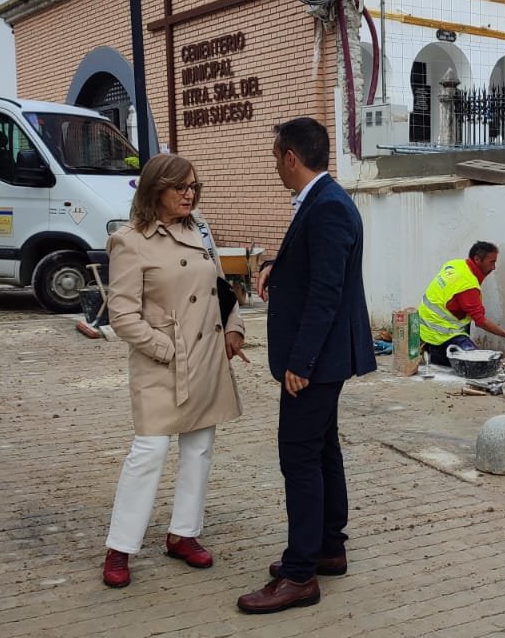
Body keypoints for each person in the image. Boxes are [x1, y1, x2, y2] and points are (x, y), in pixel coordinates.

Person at [238, 117, 375, 614]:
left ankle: (300, 576)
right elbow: (314, 266)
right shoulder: (322, 200)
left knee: (299, 457)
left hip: (316, 360)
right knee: (321, 452)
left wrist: (302, 362)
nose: (275, 164)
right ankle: (328, 548)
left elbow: (326, 292)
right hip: (325, 356)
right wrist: (278, 265)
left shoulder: (328, 208)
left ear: (290, 157)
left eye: (276, 156)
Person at [100, 152, 249, 589]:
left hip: (206, 359)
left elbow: (221, 287)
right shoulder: (131, 240)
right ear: (155, 190)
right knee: (149, 453)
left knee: (200, 449)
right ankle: (120, 547)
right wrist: (167, 349)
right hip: (161, 362)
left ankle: (183, 534)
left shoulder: (198, 229)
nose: (189, 194)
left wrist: (235, 327)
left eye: (194, 187)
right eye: (180, 187)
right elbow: (122, 316)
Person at [416, 241, 505, 366]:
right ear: (477, 259)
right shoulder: (467, 286)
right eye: (491, 262)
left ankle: (430, 348)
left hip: (424, 328)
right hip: (440, 336)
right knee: (475, 363)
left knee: (465, 326)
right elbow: (480, 321)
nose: (494, 267)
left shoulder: (455, 264)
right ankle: (435, 354)